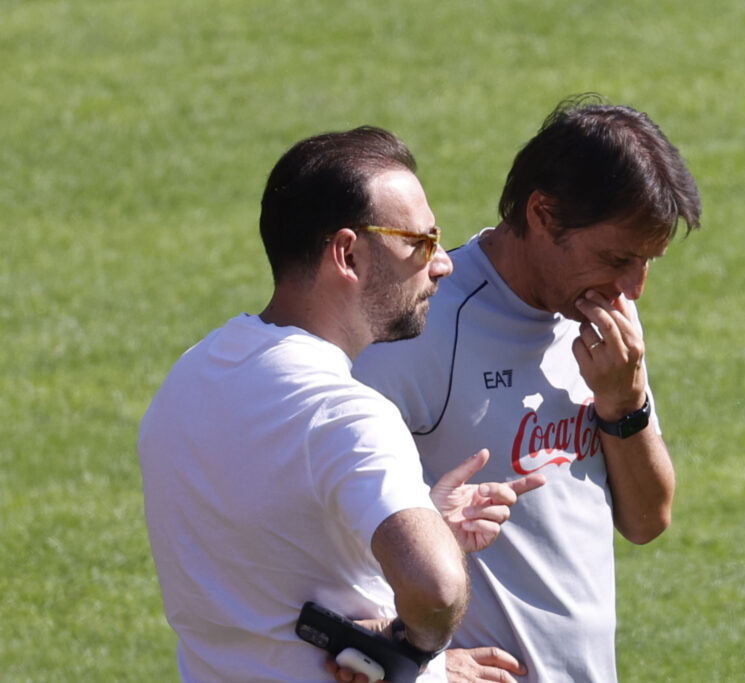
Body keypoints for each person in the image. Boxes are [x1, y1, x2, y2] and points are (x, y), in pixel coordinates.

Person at [138, 127, 541, 683]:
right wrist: (412, 651)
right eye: (418, 243)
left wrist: (423, 518)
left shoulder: (192, 376)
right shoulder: (348, 415)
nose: (442, 264)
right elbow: (437, 589)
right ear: (348, 253)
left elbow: (274, 561)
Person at [353, 95, 702, 682]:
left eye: (647, 262)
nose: (633, 288)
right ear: (542, 213)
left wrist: (625, 404)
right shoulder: (423, 325)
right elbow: (313, 533)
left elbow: (647, 520)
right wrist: (426, 664)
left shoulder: (602, 319)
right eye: (618, 257)